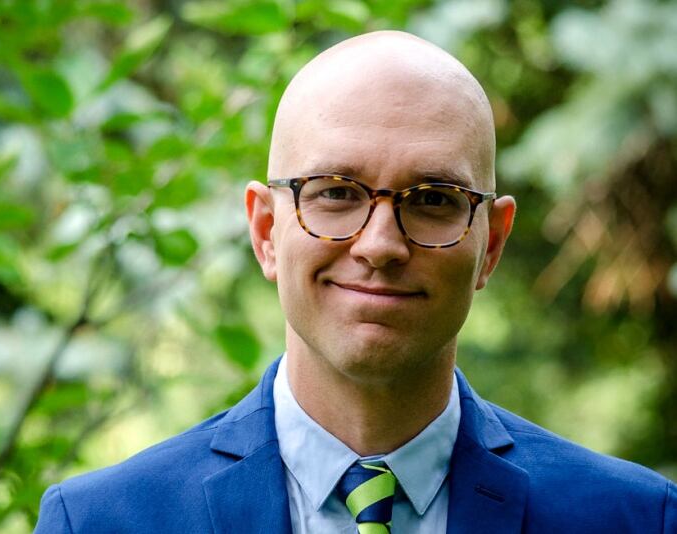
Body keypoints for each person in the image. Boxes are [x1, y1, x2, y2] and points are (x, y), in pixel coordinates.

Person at [34, 31, 676, 533]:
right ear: (265, 231)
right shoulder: (100, 522)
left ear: (491, 245)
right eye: (336, 192)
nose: (380, 245)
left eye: (433, 199)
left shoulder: (637, 521)